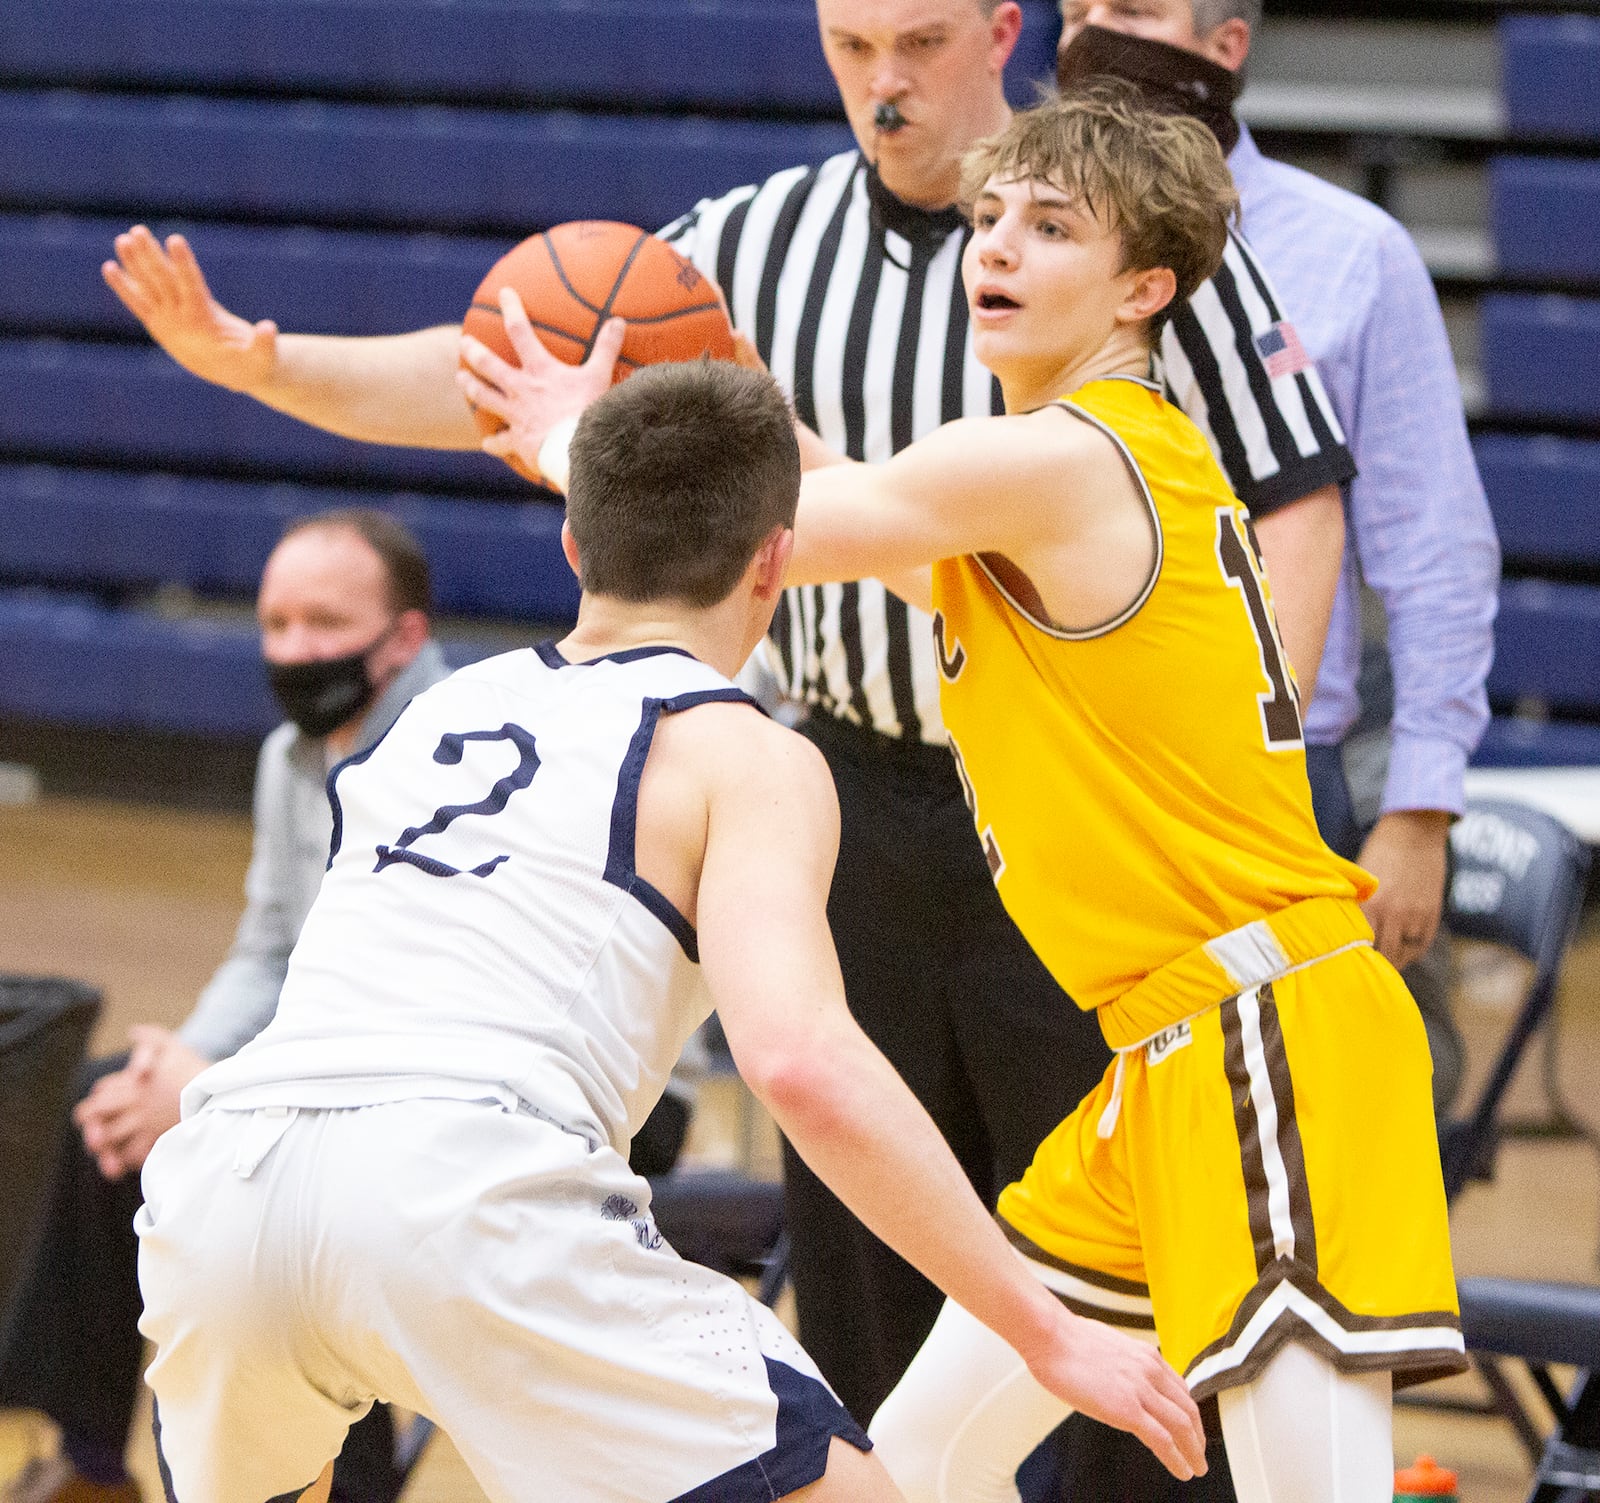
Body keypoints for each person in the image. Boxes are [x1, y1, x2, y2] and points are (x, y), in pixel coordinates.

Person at [101, 3, 1358, 1455]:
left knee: (1221, 1431)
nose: (885, 83)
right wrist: (273, 369)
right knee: (918, 1389)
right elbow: (569, 380)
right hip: (947, 844)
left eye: (920, 44)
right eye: (851, 47)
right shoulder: (792, 266)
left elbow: (793, 515)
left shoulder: (1068, 442)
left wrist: (593, 446)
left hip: (1202, 955)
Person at [489, 89, 1467, 1503]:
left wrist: (580, 436)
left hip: (1268, 1038)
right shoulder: (1063, 483)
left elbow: (760, 539)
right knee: (926, 1460)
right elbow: (858, 510)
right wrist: (713, 386)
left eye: (1053, 226)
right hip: (1157, 1064)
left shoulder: (1061, 456)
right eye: (990, 216)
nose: (997, 244)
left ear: (1147, 286)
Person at [133, 359, 1208, 1503]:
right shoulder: (741, 750)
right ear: (778, 561)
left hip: (225, 1180)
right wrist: (1044, 1332)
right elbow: (798, 1061)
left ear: (573, 551)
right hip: (466, 1187)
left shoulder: (431, 711)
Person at [1055, 0, 1500, 1114]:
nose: (1095, 35)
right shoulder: (1021, 239)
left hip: (1275, 784)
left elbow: (1434, 546)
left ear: (1224, 46)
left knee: (1280, 1157)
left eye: (1134, 11)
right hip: (1062, 776)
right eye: (1078, 12)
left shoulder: (1351, 254)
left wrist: (1419, 809)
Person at [0, 511, 447, 1503]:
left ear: (406, 638)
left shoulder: (450, 759)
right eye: (274, 623)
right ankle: (90, 1461)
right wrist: (184, 1062)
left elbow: (412, 992)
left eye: (323, 622)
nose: (293, 650)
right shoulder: (291, 756)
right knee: (107, 1111)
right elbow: (269, 951)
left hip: (451, 1086)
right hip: (324, 1079)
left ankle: (341, 1482)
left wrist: (218, 1089)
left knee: (276, 1191)